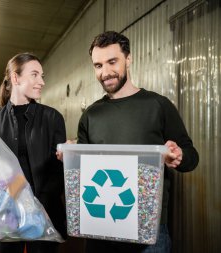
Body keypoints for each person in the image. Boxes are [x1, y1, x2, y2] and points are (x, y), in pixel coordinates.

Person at [77, 31, 199, 252]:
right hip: (99, 226)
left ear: (129, 58)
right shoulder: (90, 115)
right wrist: (69, 154)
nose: (105, 72)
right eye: (98, 65)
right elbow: (81, 171)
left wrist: (179, 155)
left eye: (112, 62)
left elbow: (191, 157)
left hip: (149, 231)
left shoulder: (158, 105)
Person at [0, 52, 67, 253]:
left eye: (42, 76)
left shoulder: (52, 118)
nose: (41, 81)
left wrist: (37, 204)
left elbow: (58, 168)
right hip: (6, 213)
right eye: (34, 75)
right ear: (15, 78)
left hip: (43, 213)